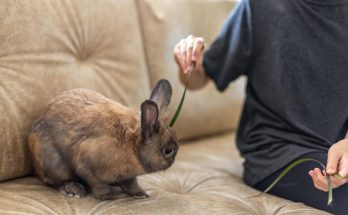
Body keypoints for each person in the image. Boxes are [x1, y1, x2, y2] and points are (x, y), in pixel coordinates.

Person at [173, 0, 348, 213]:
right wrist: (190, 64)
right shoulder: (260, 6)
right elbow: (199, 78)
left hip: (338, 150)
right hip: (277, 152)